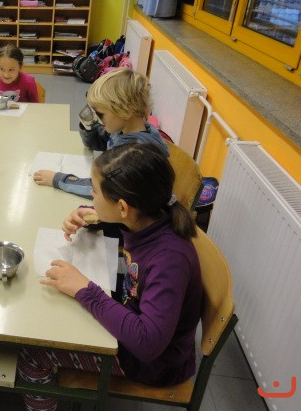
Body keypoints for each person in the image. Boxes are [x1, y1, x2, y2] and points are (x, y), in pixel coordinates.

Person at [18, 143, 202, 411]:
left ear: (123, 207)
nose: (91, 197)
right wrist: (89, 216)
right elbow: (117, 219)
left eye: (94, 192)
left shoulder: (170, 260)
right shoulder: (150, 217)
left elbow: (148, 342)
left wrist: (85, 289)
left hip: (152, 363)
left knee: (33, 352)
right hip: (135, 318)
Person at [33, 68, 167, 198]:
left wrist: (58, 179)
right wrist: (89, 126)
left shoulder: (134, 154)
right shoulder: (125, 129)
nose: (98, 118)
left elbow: (102, 189)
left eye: (100, 114)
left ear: (126, 110)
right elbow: (96, 143)